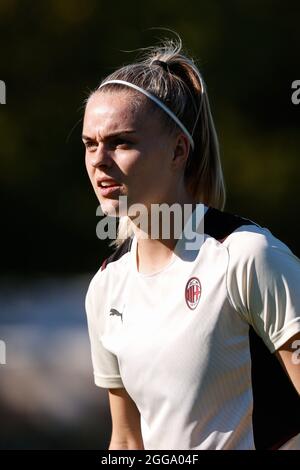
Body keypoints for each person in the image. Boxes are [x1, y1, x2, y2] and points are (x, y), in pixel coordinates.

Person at [82, 38, 300, 450]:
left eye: (121, 142)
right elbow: (127, 441)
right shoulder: (106, 287)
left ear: (178, 150)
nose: (99, 160)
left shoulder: (247, 256)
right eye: (90, 144)